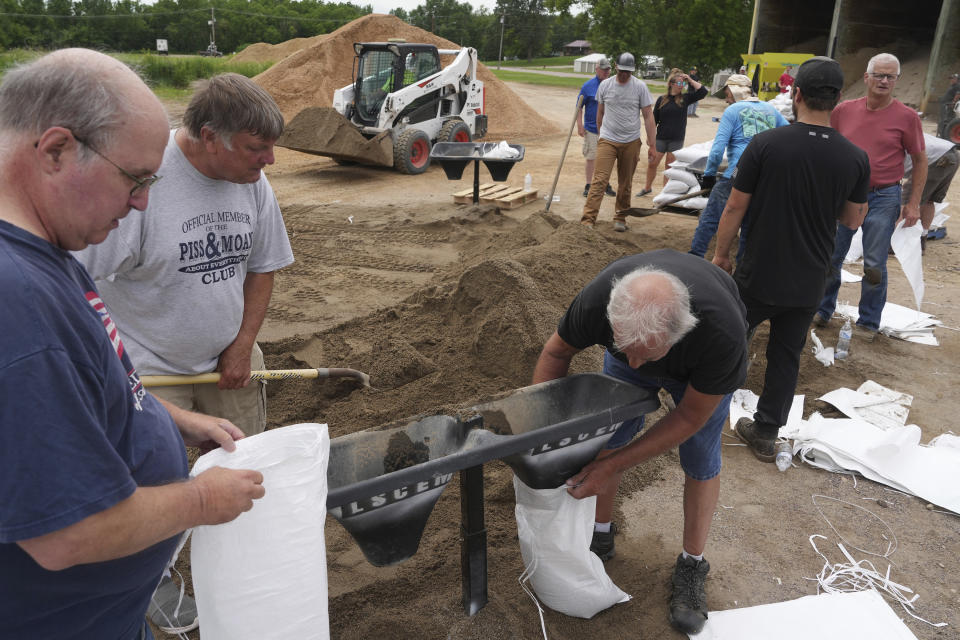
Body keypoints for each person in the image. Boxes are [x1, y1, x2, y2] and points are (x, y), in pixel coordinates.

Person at [0, 49, 265, 640]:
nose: (144, 201)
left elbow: (90, 385)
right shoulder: (17, 303)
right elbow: (67, 533)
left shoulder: (48, 250)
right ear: (56, 150)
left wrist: (167, 417)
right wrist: (200, 500)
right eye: (136, 179)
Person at [76, 72, 293, 631]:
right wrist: (117, 376)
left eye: (271, 146)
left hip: (230, 370)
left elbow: (264, 265)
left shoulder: (251, 181)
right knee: (154, 492)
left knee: (246, 473)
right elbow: (78, 288)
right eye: (255, 147)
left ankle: (246, 578)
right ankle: (159, 589)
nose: (269, 159)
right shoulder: (144, 184)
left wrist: (243, 345)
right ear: (207, 135)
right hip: (151, 379)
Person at [532, 249, 748, 634]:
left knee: (700, 458)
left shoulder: (721, 335)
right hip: (641, 337)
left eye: (645, 356)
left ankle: (692, 563)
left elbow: (690, 417)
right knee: (608, 436)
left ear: (680, 333)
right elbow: (556, 351)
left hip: (697, 372)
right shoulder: (599, 301)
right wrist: (546, 433)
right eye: (625, 351)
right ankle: (600, 536)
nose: (635, 366)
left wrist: (612, 467)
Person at [711, 57, 870, 461]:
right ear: (837, 100)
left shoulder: (767, 144)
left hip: (760, 269)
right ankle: (766, 432)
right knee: (787, 353)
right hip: (810, 275)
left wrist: (720, 254)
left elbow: (734, 207)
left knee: (730, 340)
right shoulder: (854, 157)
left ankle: (703, 415)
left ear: (796, 94)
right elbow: (852, 219)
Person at [814, 53, 926, 341]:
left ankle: (868, 322)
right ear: (866, 77)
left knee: (874, 264)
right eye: (878, 75)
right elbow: (828, 149)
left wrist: (913, 203)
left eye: (890, 76)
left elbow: (920, 160)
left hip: (884, 196)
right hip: (845, 196)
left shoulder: (907, 117)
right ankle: (822, 311)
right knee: (831, 256)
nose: (884, 81)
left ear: (897, 80)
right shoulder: (843, 111)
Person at [688, 74, 789, 260]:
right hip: (764, 177)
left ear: (735, 91)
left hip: (737, 173)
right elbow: (789, 134)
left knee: (710, 218)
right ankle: (742, 267)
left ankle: (695, 256)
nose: (726, 98)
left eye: (727, 92)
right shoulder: (771, 110)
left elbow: (718, 150)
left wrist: (709, 175)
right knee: (749, 224)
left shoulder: (733, 111)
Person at [580, 52, 657, 232]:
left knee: (625, 182)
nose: (624, 75)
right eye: (622, 71)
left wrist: (652, 145)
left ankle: (620, 217)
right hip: (608, 139)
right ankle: (588, 220)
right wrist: (601, 135)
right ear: (616, 67)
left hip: (631, 141)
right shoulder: (606, 86)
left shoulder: (640, 87)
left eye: (628, 72)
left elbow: (648, 116)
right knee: (599, 180)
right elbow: (600, 113)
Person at [641, 68, 707, 196]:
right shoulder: (662, 99)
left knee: (669, 168)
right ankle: (647, 188)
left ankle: (665, 192)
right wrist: (650, 137)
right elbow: (654, 120)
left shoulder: (685, 98)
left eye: (683, 84)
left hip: (676, 139)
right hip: (661, 138)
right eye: (679, 83)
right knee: (652, 163)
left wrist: (690, 80)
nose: (682, 86)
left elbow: (703, 92)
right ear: (671, 84)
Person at [903, 133, 958, 253]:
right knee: (929, 200)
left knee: (907, 200)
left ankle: (898, 241)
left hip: (934, 158)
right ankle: (922, 237)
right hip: (952, 154)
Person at [577, 57, 616, 198]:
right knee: (591, 157)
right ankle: (589, 184)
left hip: (609, 129)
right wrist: (579, 125)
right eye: (604, 69)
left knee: (607, 158)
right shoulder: (588, 86)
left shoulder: (614, 85)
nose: (606, 72)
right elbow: (579, 107)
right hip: (592, 129)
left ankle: (605, 184)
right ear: (597, 69)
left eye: (608, 69)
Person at [937, 73, 959, 139]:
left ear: (956, 79)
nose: (951, 80)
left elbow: (958, 95)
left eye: (952, 78)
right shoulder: (952, 86)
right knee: (943, 120)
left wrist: (953, 103)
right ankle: (941, 134)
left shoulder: (958, 86)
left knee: (945, 120)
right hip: (945, 105)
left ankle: (943, 136)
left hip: (948, 105)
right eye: (951, 79)